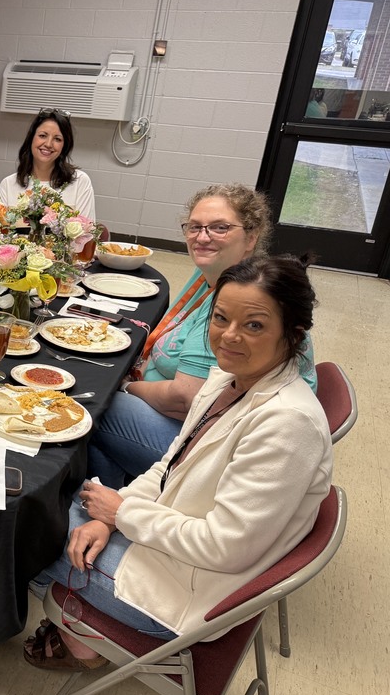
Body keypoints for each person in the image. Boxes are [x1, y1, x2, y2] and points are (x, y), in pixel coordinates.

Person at [23, 254, 332, 670]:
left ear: (294, 336)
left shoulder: (288, 425)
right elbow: (170, 466)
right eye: (221, 318)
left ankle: (74, 632)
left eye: (254, 325)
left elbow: (225, 548)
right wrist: (110, 518)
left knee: (25, 525)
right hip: (173, 542)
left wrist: (124, 512)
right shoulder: (228, 381)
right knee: (54, 498)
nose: (229, 336)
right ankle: (69, 613)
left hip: (189, 595)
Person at [84, 183, 317, 492]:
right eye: (195, 227)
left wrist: (125, 386)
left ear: (251, 236)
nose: (202, 237)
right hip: (204, 423)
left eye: (219, 228)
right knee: (99, 427)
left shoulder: (237, 303)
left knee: (91, 403)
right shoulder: (215, 275)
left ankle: (109, 506)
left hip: (212, 443)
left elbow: (185, 399)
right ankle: (106, 498)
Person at [0, 108, 95, 221]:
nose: (48, 144)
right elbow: (1, 234)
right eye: (43, 136)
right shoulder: (8, 184)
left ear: (64, 146)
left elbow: (87, 234)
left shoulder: (80, 181)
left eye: (57, 139)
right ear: (31, 138)